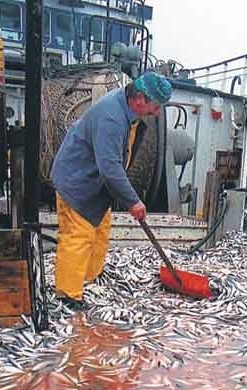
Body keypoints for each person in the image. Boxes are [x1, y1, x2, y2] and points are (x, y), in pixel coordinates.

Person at [51, 71, 172, 310]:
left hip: (93, 182)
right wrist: (133, 201)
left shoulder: (128, 107)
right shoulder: (112, 117)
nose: (157, 113)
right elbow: (109, 167)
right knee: (79, 234)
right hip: (77, 181)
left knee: (101, 228)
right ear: (140, 99)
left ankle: (89, 278)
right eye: (155, 107)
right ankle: (67, 295)